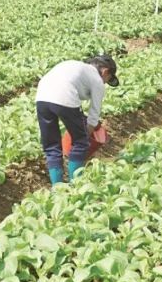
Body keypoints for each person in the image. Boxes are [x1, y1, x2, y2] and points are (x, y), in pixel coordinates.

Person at [35, 55, 119, 185]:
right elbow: (93, 116)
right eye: (107, 80)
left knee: (51, 146)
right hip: (65, 95)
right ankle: (76, 185)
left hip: (41, 96)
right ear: (105, 71)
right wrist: (85, 136)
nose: (104, 83)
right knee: (80, 143)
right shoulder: (97, 80)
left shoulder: (74, 66)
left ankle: (57, 188)